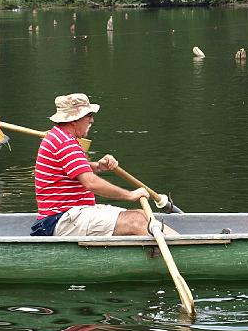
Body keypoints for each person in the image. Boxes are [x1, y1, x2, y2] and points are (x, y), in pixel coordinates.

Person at [32, 93, 161, 237]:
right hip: (60, 220)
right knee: (136, 221)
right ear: (74, 120)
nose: (92, 120)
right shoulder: (65, 142)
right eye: (89, 115)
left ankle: (177, 243)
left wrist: (97, 166)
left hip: (70, 215)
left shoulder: (59, 136)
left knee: (142, 215)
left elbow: (70, 168)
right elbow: (91, 183)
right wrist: (130, 195)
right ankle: (176, 247)